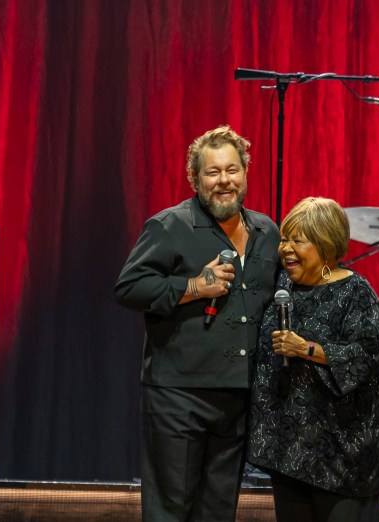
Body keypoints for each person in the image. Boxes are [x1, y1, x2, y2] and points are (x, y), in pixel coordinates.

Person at [114, 125, 281, 521]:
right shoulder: (171, 226)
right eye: (213, 172)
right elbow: (129, 287)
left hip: (238, 399)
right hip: (179, 397)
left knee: (218, 512)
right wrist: (193, 285)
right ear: (195, 179)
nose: (224, 181)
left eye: (232, 170)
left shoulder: (266, 231)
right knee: (171, 510)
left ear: (245, 172)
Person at [248, 197, 379, 522]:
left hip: (345, 456)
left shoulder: (355, 293)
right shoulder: (283, 288)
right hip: (290, 451)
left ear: (325, 244)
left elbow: (366, 354)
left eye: (298, 241)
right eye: (284, 239)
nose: (286, 249)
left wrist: (307, 349)